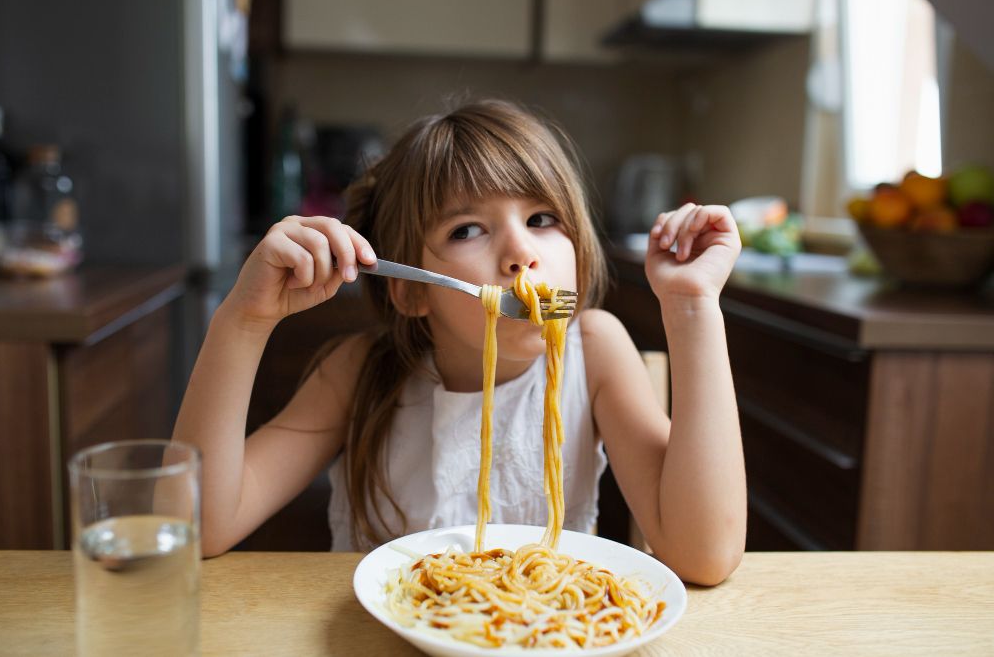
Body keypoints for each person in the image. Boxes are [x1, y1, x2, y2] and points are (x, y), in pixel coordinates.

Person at [172, 99, 746, 586]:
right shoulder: (360, 373)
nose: (522, 252)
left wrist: (693, 305)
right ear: (410, 290)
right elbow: (197, 527)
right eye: (466, 230)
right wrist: (242, 322)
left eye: (543, 218)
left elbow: (705, 555)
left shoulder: (593, 352)